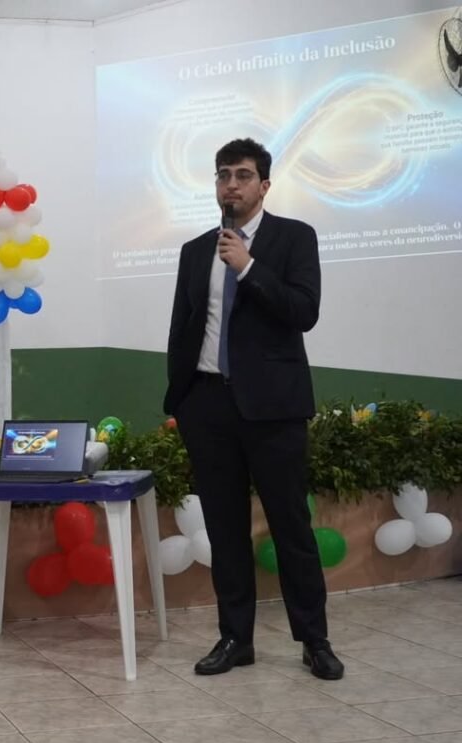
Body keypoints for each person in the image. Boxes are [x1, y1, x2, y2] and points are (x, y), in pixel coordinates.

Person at [163, 138, 343, 681]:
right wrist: (181, 399)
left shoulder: (294, 238)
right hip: (208, 406)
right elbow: (183, 328)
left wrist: (247, 267)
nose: (231, 185)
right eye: (223, 175)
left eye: (242, 175)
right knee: (225, 530)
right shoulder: (196, 250)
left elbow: (304, 311)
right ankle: (236, 638)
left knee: (291, 526)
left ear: (264, 185)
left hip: (274, 409)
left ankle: (314, 640)